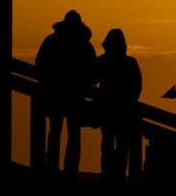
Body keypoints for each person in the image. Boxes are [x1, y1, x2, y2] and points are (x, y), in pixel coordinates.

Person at [35, 10, 97, 180]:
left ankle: (51, 168)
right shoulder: (84, 45)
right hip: (76, 96)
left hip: (54, 93)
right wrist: (86, 85)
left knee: (54, 131)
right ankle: (70, 171)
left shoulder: (52, 41)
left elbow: (39, 64)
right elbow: (94, 71)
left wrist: (46, 83)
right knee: (74, 133)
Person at [96, 28, 142, 183]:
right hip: (124, 111)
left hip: (107, 109)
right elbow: (137, 86)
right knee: (122, 142)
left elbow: (91, 79)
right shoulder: (130, 63)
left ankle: (107, 172)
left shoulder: (103, 61)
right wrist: (130, 101)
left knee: (108, 141)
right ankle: (120, 174)